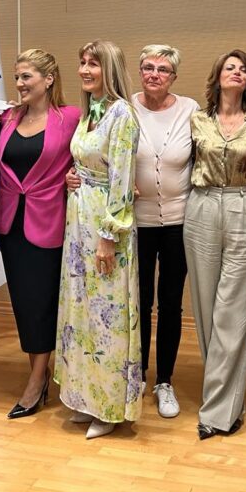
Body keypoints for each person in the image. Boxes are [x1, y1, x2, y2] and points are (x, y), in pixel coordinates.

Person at [55, 40, 142, 440]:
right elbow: (87, 160)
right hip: (78, 221)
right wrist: (72, 176)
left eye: (94, 63)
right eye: (82, 62)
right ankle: (85, 396)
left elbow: (122, 182)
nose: (85, 70)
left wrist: (109, 237)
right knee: (82, 310)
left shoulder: (122, 113)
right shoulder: (92, 110)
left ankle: (109, 407)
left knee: (108, 314)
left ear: (110, 69)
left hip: (106, 227)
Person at [183, 49, 246, 440]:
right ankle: (225, 397)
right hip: (200, 206)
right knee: (206, 309)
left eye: (243, 69)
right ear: (217, 76)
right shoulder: (196, 119)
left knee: (234, 311)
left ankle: (218, 411)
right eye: (230, 67)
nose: (237, 72)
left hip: (243, 204)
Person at [0, 49, 80, 418]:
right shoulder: (6, 118)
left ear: (48, 79)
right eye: (16, 77)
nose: (19, 83)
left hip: (49, 221)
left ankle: (36, 381)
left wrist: (76, 176)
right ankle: (40, 372)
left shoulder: (71, 118)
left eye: (26, 76)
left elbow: (92, 155)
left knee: (43, 302)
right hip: (10, 224)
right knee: (24, 304)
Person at [130, 44, 199, 418]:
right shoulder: (125, 108)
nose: (154, 74)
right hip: (135, 223)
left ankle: (164, 381)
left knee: (170, 303)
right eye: (148, 67)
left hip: (178, 222)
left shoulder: (190, 109)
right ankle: (137, 374)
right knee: (138, 301)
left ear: (174, 76)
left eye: (162, 69)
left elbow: (207, 156)